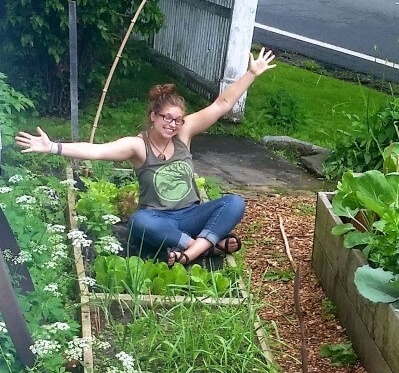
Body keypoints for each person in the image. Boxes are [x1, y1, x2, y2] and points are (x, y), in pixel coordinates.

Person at [15, 48, 276, 266]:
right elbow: (97, 151)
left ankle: (188, 254)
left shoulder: (183, 135)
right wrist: (53, 147)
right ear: (153, 115)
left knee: (233, 203)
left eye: (178, 119)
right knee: (139, 221)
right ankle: (205, 247)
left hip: (191, 215)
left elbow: (221, 105)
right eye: (166, 118)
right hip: (159, 219)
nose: (173, 124)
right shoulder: (138, 146)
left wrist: (251, 74)